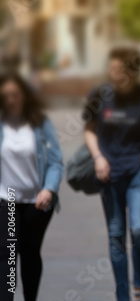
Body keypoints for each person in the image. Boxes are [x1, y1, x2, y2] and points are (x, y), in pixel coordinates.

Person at [83, 47, 140, 301]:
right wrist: (98, 157)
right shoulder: (100, 95)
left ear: (131, 71)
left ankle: (138, 285)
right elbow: (89, 129)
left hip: (139, 173)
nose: (112, 74)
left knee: (137, 230)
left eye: (118, 69)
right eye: (111, 69)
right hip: (109, 174)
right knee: (116, 234)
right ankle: (123, 294)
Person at [0, 73, 63, 301]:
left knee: (29, 253)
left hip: (36, 201)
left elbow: (55, 160)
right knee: (7, 253)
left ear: (24, 96)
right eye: (5, 96)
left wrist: (49, 188)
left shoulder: (39, 123)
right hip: (6, 200)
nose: (10, 100)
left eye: (15, 95)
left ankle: (30, 298)